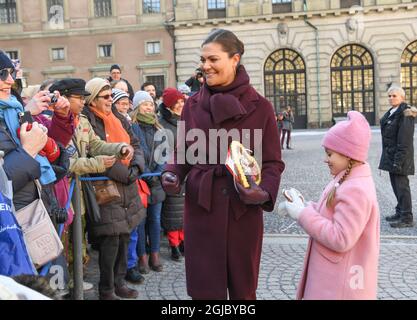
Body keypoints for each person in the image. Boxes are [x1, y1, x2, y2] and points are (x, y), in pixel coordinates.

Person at [161, 29, 284, 300]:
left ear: (235, 59)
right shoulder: (192, 106)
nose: (205, 66)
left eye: (213, 59)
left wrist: (263, 192)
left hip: (243, 212)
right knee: (205, 291)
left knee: (243, 291)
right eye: (203, 59)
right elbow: (183, 152)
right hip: (202, 209)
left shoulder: (261, 107)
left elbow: (273, 162)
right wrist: (172, 172)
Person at [279, 111, 380, 300]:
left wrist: (302, 214)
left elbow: (341, 237)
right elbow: (332, 212)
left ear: (348, 154)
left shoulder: (355, 188)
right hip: (335, 282)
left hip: (338, 288)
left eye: (330, 153)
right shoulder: (348, 178)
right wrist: (305, 206)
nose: (326, 159)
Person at [83, 78, 146, 300]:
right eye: (106, 96)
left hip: (128, 185)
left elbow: (135, 144)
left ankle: (120, 282)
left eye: (112, 96)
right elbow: (95, 151)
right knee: (111, 240)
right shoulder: (88, 120)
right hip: (107, 187)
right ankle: (106, 288)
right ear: (93, 99)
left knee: (125, 236)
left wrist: (136, 167)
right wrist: (127, 174)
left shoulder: (119, 118)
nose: (111, 100)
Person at [128, 90, 166, 277]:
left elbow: (163, 155)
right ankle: (142, 256)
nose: (149, 107)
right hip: (141, 180)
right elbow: (137, 152)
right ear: (137, 107)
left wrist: (156, 173)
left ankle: (155, 254)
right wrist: (145, 173)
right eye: (145, 104)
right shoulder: (133, 127)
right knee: (140, 222)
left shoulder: (160, 130)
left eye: (151, 104)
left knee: (155, 220)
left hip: (156, 180)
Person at [379, 85, 416, 228]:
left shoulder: (405, 113)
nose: (391, 98)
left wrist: (398, 161)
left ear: (402, 97)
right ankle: (400, 211)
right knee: (396, 186)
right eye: (389, 96)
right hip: (391, 156)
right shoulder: (392, 112)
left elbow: (405, 140)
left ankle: (406, 217)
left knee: (402, 187)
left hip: (400, 157)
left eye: (394, 96)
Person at [158, 88, 186, 261]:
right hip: (173, 170)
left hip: (188, 170)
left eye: (182, 101)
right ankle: (174, 244)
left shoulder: (188, 120)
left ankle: (183, 241)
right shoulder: (162, 124)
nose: (181, 105)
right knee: (172, 210)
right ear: (169, 106)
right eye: (177, 103)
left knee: (184, 211)